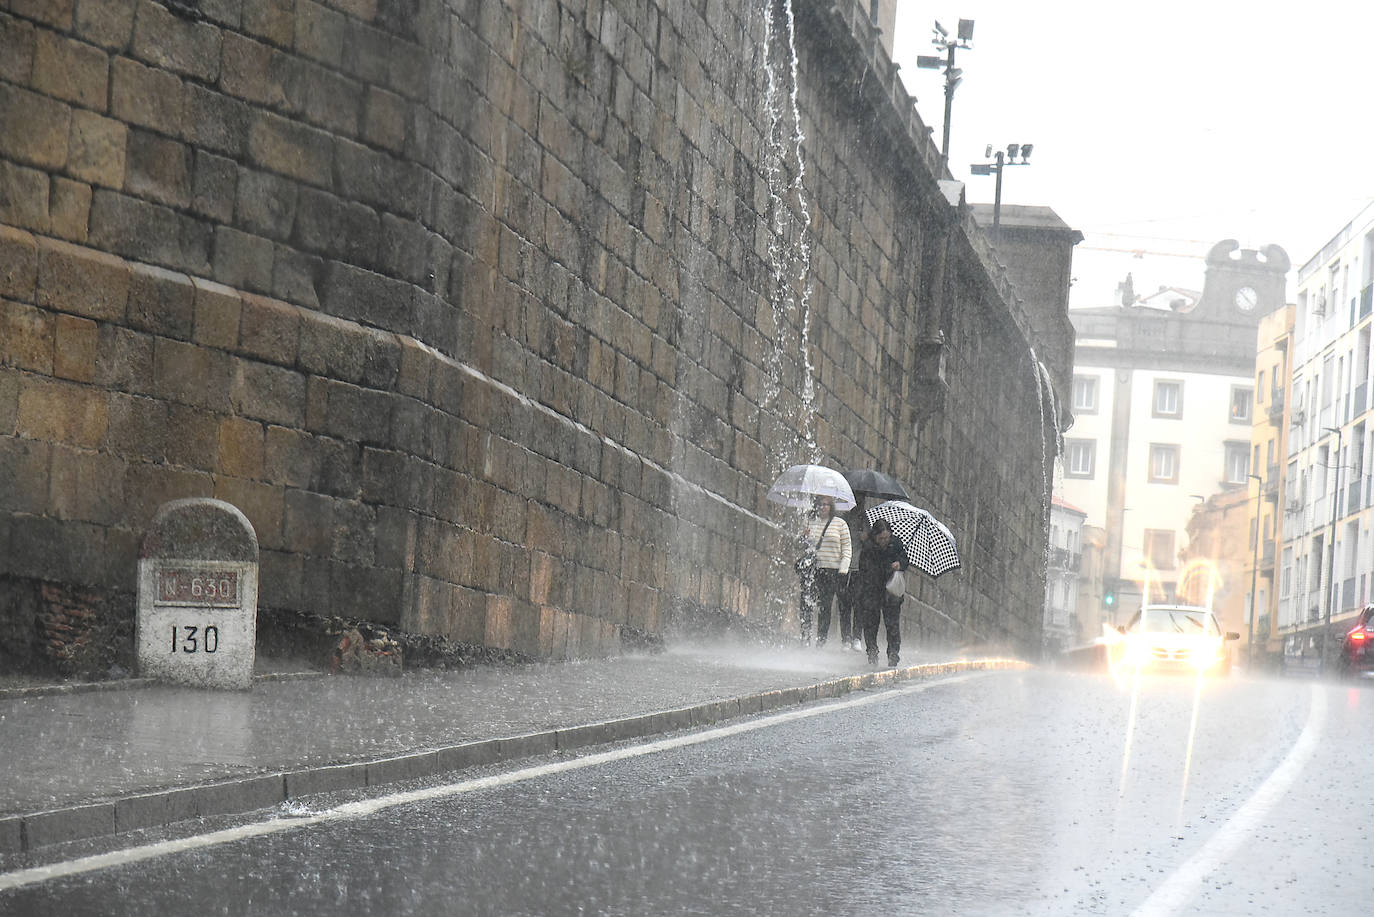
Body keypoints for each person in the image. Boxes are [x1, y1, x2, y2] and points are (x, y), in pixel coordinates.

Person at [796, 495, 851, 646]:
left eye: (826, 504)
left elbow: (846, 549)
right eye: (820, 504)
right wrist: (804, 538)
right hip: (813, 569)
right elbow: (804, 546)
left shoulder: (840, 524)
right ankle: (805, 637)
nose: (823, 507)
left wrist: (843, 570)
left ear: (831, 507)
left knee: (825, 606)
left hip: (831, 570)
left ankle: (821, 640)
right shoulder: (810, 522)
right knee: (806, 604)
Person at [855, 517, 910, 666]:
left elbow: (905, 559)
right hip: (872, 589)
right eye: (881, 538)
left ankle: (893, 653)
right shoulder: (868, 548)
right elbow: (864, 569)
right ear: (875, 536)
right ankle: (872, 651)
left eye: (887, 537)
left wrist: (900, 564)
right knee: (871, 623)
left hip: (891, 591)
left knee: (892, 624)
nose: (885, 540)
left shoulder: (896, 544)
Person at [835, 496, 868, 650]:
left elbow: (872, 545)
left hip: (859, 568)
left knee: (859, 604)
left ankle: (856, 637)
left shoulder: (867, 521)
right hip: (844, 567)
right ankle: (846, 638)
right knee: (844, 604)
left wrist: (866, 538)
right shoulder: (843, 520)